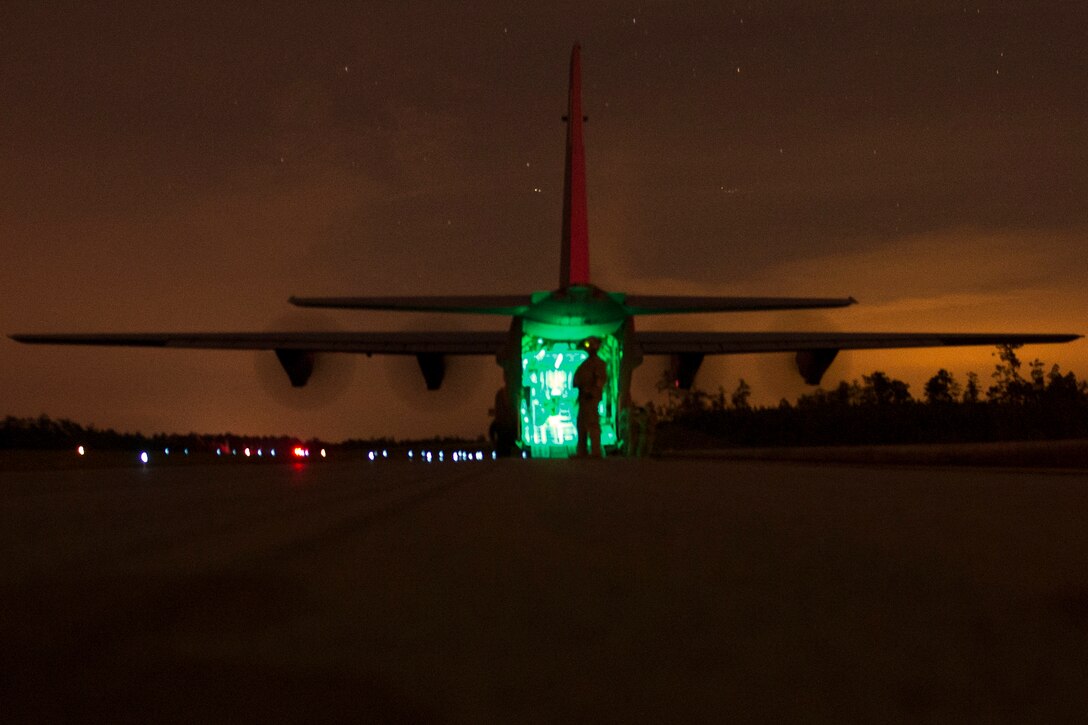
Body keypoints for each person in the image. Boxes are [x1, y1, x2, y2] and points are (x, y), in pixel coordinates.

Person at [572, 337, 608, 457]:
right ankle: (582, 451)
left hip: (591, 398)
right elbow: (577, 379)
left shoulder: (598, 364)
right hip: (584, 397)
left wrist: (592, 392)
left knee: (592, 424)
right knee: (581, 424)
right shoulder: (586, 363)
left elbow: (600, 381)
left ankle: (595, 451)